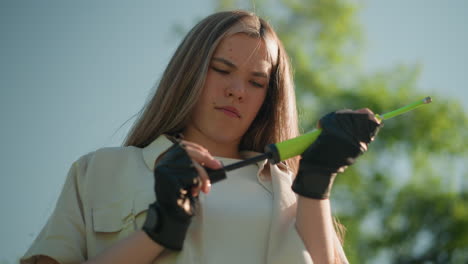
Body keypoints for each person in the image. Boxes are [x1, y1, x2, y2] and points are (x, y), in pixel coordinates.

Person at [21, 10, 381, 264]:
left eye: (256, 82)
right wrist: (156, 234)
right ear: (189, 73)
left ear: (268, 98)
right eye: (222, 69)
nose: (238, 90)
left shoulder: (294, 194)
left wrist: (316, 183)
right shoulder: (100, 171)